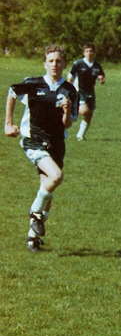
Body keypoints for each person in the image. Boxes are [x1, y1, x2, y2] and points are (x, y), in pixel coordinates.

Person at [4, 44, 79, 252]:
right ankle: (35, 213)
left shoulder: (70, 90)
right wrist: (8, 124)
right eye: (51, 61)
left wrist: (66, 112)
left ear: (64, 64)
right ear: (45, 63)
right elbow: (11, 93)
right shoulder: (32, 83)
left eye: (58, 61)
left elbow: (68, 124)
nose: (55, 64)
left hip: (57, 143)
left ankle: (32, 238)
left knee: (47, 188)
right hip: (33, 140)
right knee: (56, 176)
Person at [66, 43, 106, 141]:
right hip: (79, 91)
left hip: (90, 92)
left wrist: (101, 79)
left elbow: (101, 76)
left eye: (91, 51)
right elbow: (70, 76)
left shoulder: (97, 65)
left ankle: (80, 135)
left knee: (89, 114)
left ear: (94, 53)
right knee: (84, 111)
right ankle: (70, 115)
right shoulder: (78, 64)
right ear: (84, 53)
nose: (89, 53)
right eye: (87, 51)